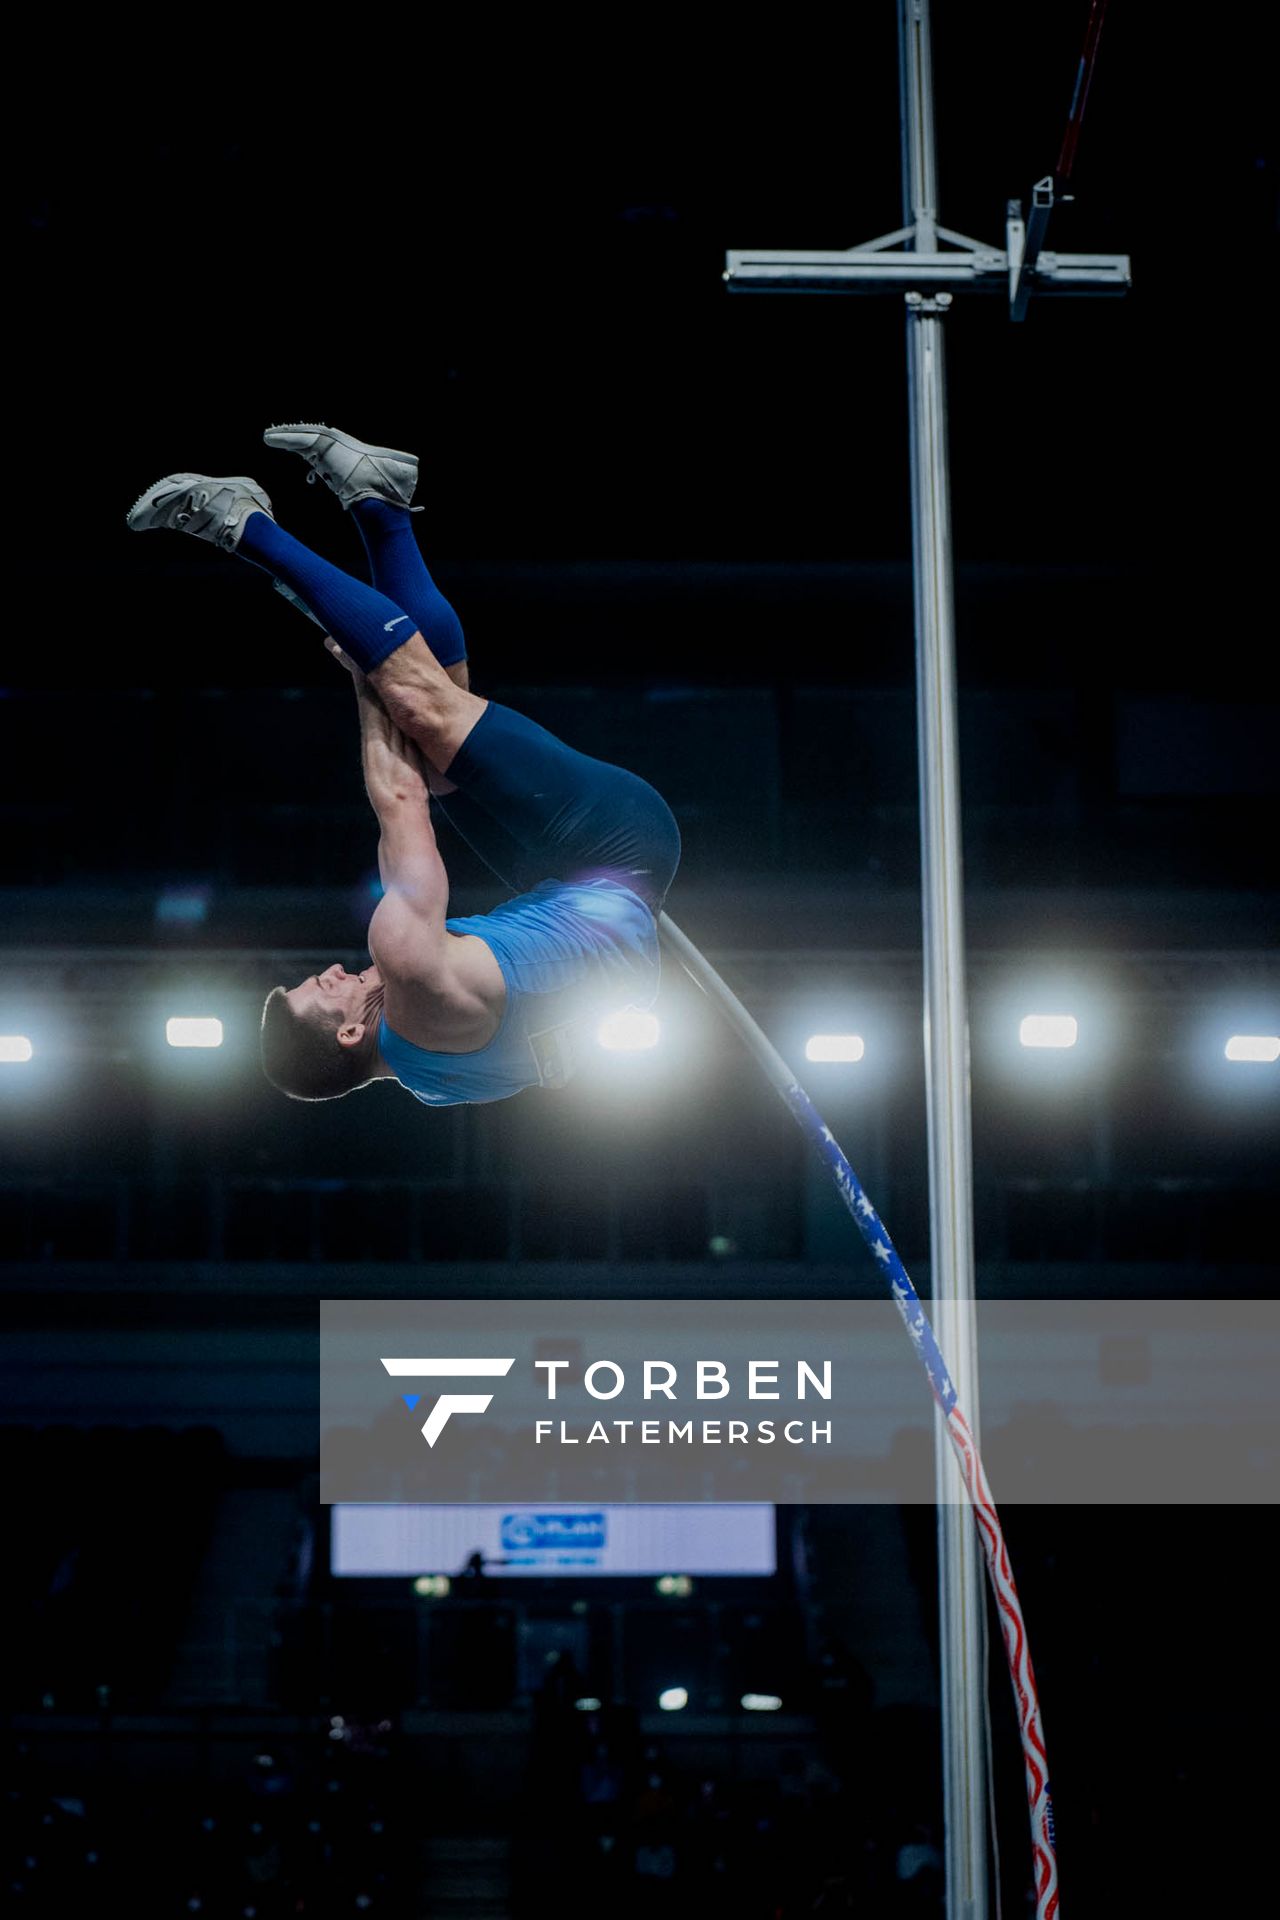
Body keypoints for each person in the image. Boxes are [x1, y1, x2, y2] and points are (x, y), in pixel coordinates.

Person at [127, 425, 681, 1105]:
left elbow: (557, 1044)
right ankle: (244, 525)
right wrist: (368, 673)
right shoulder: (407, 962)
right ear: (350, 1037)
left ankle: (381, 506)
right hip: (615, 844)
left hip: (573, 888)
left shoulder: (436, 1088)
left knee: (440, 748)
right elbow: (398, 796)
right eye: (324, 989)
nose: (332, 970)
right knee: (421, 709)